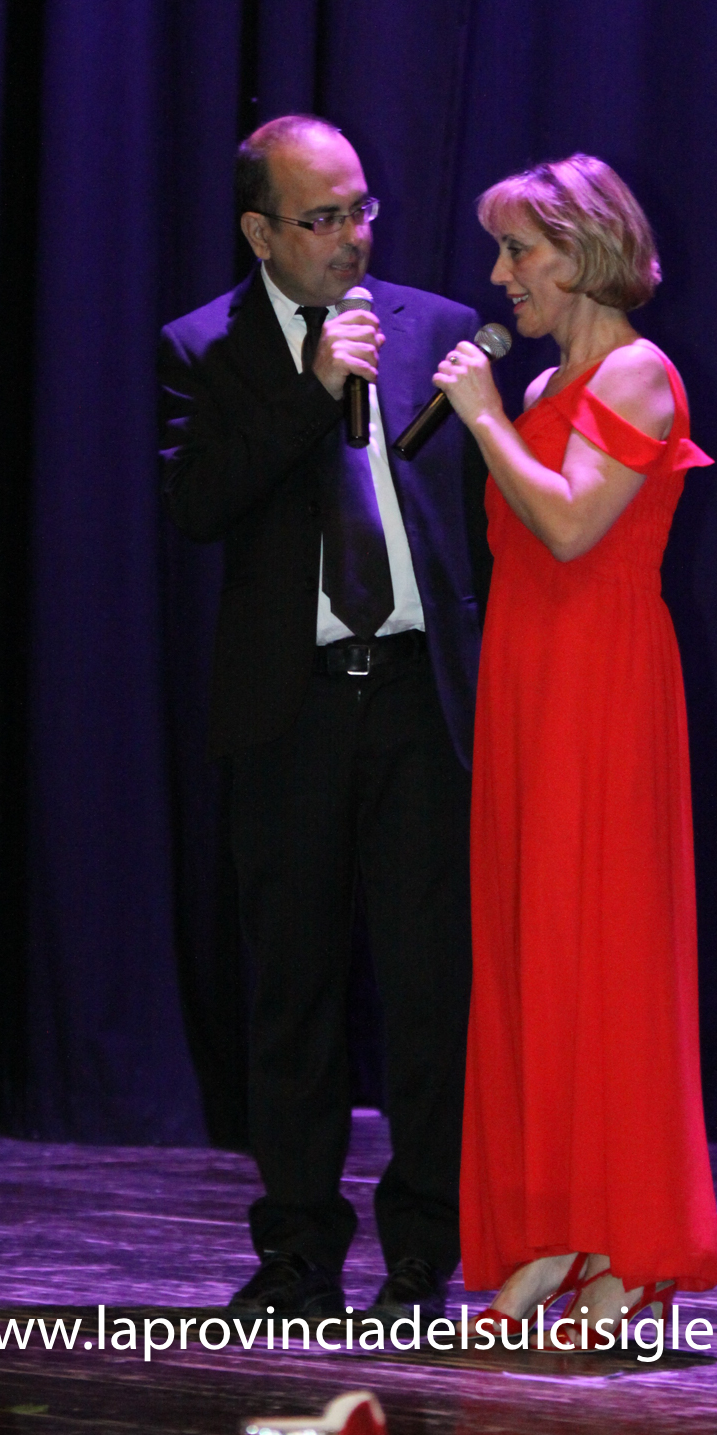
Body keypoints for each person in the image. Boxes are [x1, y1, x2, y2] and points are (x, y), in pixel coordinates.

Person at [158, 115, 487, 1325]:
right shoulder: (205, 346)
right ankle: (298, 1253)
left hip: (420, 698)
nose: (352, 238)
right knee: (291, 993)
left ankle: (424, 1253)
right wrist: (312, 395)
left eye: (361, 212)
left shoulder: (437, 328)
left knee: (430, 991)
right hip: (287, 708)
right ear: (261, 232)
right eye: (322, 218)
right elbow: (199, 506)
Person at [432, 153, 717, 1335]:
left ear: (587, 250)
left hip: (601, 691)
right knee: (535, 959)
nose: (501, 275)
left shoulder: (641, 373)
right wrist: (503, 413)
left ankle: (624, 1241)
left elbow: (568, 524)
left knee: (603, 957)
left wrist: (485, 418)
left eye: (520, 251)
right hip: (528, 688)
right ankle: (555, 1228)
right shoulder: (553, 378)